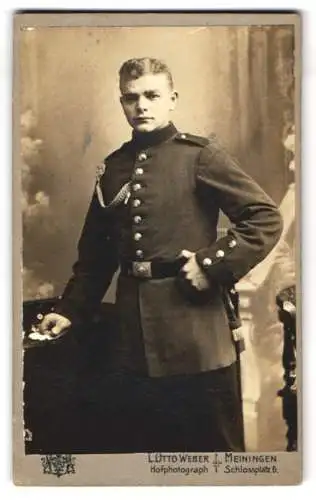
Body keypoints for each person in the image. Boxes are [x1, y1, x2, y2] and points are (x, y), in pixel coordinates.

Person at [39, 57, 283, 452]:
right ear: (122, 103)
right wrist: (68, 310)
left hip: (196, 333)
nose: (142, 106)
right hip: (132, 341)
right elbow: (95, 257)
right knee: (146, 454)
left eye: (152, 95)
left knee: (214, 455)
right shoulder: (114, 168)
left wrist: (210, 265)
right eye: (131, 98)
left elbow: (265, 218)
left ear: (172, 99)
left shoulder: (199, 156)